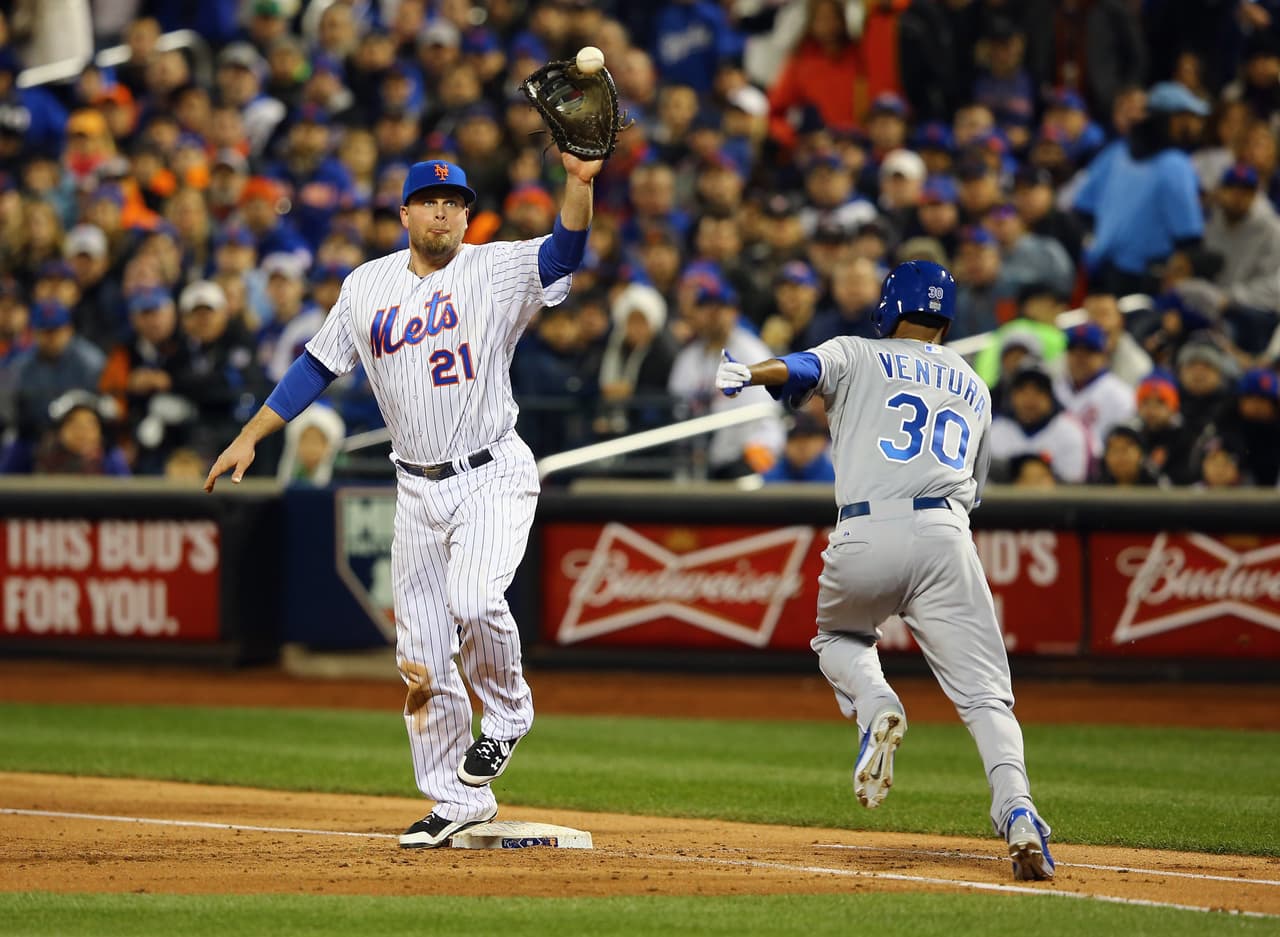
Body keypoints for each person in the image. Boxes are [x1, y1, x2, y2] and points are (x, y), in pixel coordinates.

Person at [203, 154, 601, 847]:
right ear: (406, 215)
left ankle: (506, 717)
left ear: (468, 216)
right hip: (415, 487)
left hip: (491, 473)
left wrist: (580, 183)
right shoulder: (366, 287)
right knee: (419, 652)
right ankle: (456, 799)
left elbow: (566, 249)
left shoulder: (494, 269)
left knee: (475, 599)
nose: (443, 211)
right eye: (430, 200)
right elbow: (315, 366)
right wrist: (251, 435)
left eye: (455, 202)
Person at [714, 260, 1055, 881]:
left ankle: (876, 707)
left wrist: (750, 373)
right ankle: (1019, 813)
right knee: (986, 698)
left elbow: (800, 368)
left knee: (837, 638)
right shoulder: (975, 384)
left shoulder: (859, 351)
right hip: (947, 533)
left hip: (866, 529)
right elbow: (975, 491)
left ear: (889, 306)